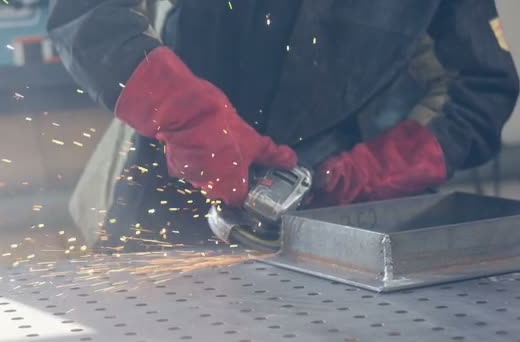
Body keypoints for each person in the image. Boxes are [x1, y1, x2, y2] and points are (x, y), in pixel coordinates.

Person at [47, 0, 518, 250]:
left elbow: (479, 87)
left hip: (334, 214)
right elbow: (87, 15)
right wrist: (186, 115)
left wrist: (375, 173)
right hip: (175, 183)